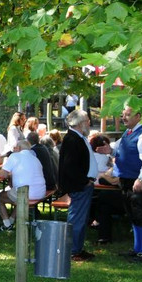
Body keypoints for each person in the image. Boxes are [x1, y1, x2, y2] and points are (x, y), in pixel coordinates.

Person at [112, 106, 142, 263]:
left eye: (127, 115)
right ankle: (137, 249)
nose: (124, 117)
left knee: (141, 214)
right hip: (128, 179)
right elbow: (121, 149)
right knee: (133, 214)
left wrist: (141, 178)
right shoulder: (129, 132)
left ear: (139, 116)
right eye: (123, 114)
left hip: (140, 179)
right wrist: (109, 150)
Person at [57, 110, 98, 262]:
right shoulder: (73, 139)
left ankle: (77, 248)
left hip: (82, 185)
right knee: (77, 218)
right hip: (79, 186)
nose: (89, 123)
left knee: (81, 218)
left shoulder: (78, 138)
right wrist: (84, 181)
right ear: (80, 123)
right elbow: (70, 167)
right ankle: (73, 250)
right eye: (87, 120)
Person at [0, 140, 47, 230]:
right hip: (41, 192)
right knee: (18, 194)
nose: (14, 149)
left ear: (18, 148)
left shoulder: (15, 156)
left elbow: (3, 174)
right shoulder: (35, 158)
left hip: (26, 193)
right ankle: (11, 221)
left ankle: (7, 225)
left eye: (15, 147)